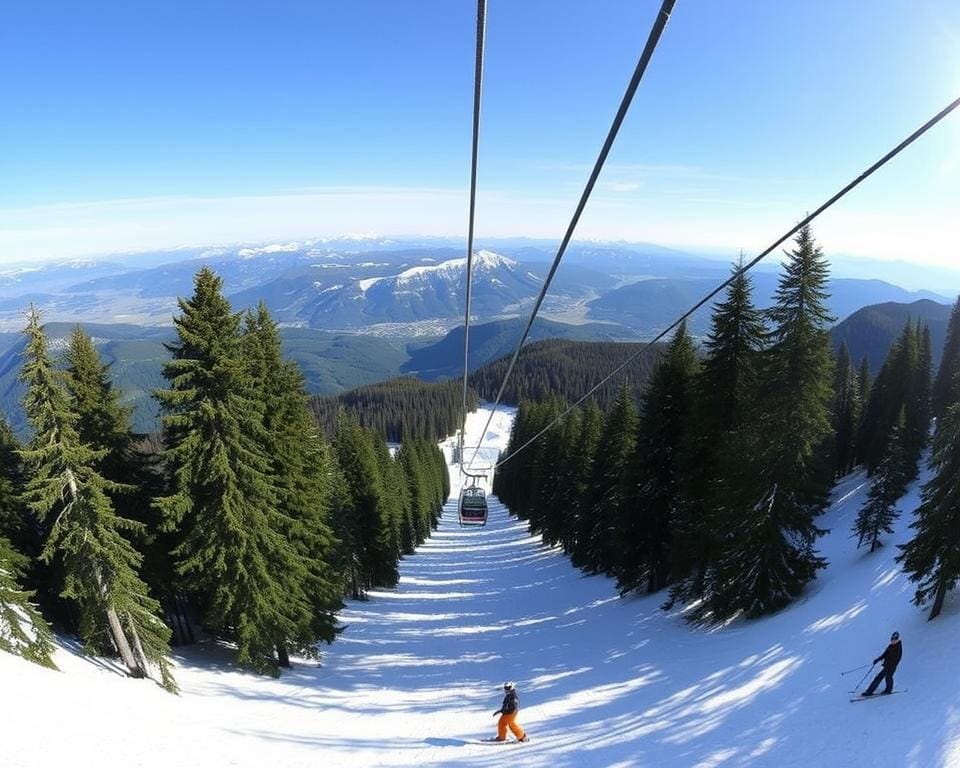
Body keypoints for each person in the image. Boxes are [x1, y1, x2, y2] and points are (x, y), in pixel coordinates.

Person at [861, 631, 902, 696]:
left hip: (891, 666)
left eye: (894, 639)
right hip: (887, 665)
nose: (893, 641)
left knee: (886, 677)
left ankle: (873, 691)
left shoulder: (898, 647)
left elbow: (897, 658)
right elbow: (885, 654)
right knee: (885, 677)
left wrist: (890, 665)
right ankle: (871, 691)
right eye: (892, 639)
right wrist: (878, 659)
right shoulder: (891, 645)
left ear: (897, 639)